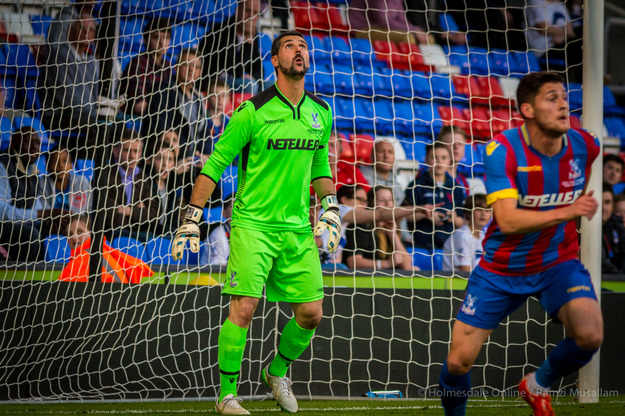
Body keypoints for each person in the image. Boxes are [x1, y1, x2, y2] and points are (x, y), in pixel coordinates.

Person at [170, 31, 340, 415]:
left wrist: (329, 206)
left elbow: (320, 165)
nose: (300, 51)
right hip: (252, 225)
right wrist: (192, 218)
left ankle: (276, 372)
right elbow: (214, 166)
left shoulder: (321, 112)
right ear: (275, 61)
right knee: (243, 308)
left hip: (296, 229)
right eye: (289, 46)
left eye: (303, 46)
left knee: (312, 313)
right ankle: (226, 395)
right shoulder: (252, 111)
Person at [438, 72, 602, 416]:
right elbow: (509, 220)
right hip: (500, 268)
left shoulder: (586, 146)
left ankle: (537, 384)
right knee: (457, 364)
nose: (563, 104)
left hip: (557, 263)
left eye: (564, 96)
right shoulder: (502, 150)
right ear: (527, 109)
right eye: (551, 98)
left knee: (590, 335)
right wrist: (569, 210)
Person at [0, 126, 69, 261]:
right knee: (31, 235)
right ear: (14, 143)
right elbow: (3, 213)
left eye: (37, 143)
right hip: (3, 225)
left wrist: (48, 220)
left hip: (22, 223)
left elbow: (35, 208)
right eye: (28, 141)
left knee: (58, 230)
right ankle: (23, 279)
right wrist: (43, 214)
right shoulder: (3, 165)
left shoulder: (33, 172)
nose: (34, 147)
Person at [40, 15, 101, 157]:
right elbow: (67, 97)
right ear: (69, 30)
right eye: (81, 28)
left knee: (115, 123)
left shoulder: (92, 62)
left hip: (83, 115)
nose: (86, 32)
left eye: (91, 29)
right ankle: (84, 165)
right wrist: (93, 112)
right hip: (58, 115)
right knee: (98, 125)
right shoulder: (59, 56)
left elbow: (95, 94)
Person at [143, 48, 212, 161]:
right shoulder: (163, 91)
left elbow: (205, 133)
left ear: (200, 72)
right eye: (186, 64)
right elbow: (161, 131)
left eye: (195, 66)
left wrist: (207, 155)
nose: (191, 70)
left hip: (193, 158)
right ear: (176, 67)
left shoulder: (198, 98)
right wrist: (188, 155)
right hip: (168, 157)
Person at [404, 141, 466, 251]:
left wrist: (453, 217)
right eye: (434, 157)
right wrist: (425, 214)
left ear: (449, 161)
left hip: (450, 248)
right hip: (421, 245)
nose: (439, 162)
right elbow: (405, 216)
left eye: (443, 158)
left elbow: (463, 221)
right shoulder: (416, 185)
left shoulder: (456, 188)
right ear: (426, 160)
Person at [101, 128, 158, 242]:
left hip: (138, 236)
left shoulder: (143, 177)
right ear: (115, 152)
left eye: (136, 151)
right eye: (127, 150)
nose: (132, 156)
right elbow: (108, 216)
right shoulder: (105, 176)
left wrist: (128, 211)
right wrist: (139, 213)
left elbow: (154, 214)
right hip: (112, 236)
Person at [59, 215, 154, 283]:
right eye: (70, 234)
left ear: (93, 233)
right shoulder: (105, 253)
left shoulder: (84, 257)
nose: (74, 237)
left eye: (80, 231)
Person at [343, 186, 416, 271]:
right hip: (364, 279)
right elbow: (353, 262)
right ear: (371, 204)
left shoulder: (393, 227)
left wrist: (392, 235)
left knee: (415, 269)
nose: (388, 204)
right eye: (381, 200)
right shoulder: (361, 227)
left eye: (390, 199)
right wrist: (387, 264)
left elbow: (406, 267)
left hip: (386, 279)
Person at [199, 0, 263, 93]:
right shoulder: (221, 31)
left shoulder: (252, 33)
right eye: (248, 10)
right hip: (214, 82)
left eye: (255, 13)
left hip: (236, 81)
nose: (251, 17)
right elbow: (235, 70)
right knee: (249, 85)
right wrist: (248, 44)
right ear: (238, 10)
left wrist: (253, 77)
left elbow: (259, 68)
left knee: (269, 86)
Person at [119, 18, 173, 116]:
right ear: (146, 39)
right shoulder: (138, 63)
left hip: (158, 118)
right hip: (134, 120)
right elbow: (139, 106)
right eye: (156, 37)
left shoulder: (167, 66)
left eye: (166, 37)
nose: (161, 42)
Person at [132, 144, 182, 238]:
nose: (165, 164)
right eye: (160, 158)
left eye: (169, 159)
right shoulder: (143, 184)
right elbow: (148, 221)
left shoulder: (173, 188)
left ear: (174, 164)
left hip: (164, 237)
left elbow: (174, 219)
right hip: (146, 236)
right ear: (150, 160)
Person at [525, 0, 582, 82]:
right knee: (580, 45)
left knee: (581, 37)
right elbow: (544, 28)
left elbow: (571, 32)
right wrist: (565, 34)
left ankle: (587, 81)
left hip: (562, 44)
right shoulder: (536, 2)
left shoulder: (559, 4)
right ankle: (586, 82)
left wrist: (561, 37)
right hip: (544, 49)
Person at [442, 194, 491, 273]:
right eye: (479, 209)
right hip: (456, 283)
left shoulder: (483, 237)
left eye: (487, 210)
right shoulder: (462, 235)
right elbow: (466, 272)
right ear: (468, 213)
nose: (483, 214)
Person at [348, 0, 430, 44]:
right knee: (407, 37)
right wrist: (414, 30)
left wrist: (417, 31)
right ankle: (406, 71)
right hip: (363, 29)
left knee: (429, 39)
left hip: (382, 28)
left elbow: (401, 18)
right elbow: (384, 22)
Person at [436, 125, 486, 196]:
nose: (456, 147)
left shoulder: (463, 180)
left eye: (460, 144)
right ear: (440, 146)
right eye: (451, 143)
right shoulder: (430, 177)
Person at [41, 148, 92, 215]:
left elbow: (90, 209)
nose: (61, 165)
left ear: (71, 165)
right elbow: (41, 211)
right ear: (47, 166)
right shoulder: (42, 183)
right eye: (55, 161)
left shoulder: (81, 182)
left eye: (65, 161)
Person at [359, 138, 405, 207]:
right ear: (372, 157)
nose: (386, 156)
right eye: (381, 151)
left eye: (390, 152)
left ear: (394, 158)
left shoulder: (398, 185)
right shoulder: (361, 179)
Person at [601, 183, 625, 274]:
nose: (603, 208)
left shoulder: (616, 226)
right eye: (599, 201)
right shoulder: (583, 230)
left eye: (607, 202)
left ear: (612, 205)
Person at [208, 197, 233, 266]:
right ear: (224, 213)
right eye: (232, 206)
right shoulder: (219, 234)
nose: (237, 208)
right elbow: (218, 269)